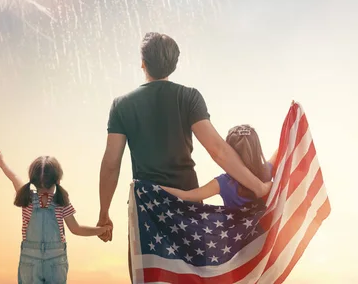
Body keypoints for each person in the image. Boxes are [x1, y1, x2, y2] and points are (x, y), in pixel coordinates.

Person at [95, 32, 273, 280]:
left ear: (142, 63)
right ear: (174, 64)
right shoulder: (189, 97)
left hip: (147, 209)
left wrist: (104, 214)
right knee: (192, 277)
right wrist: (258, 186)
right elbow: (218, 150)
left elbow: (111, 163)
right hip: (188, 208)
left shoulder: (121, 105)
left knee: (153, 276)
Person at [0, 150, 111, 284]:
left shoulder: (27, 199)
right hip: (56, 262)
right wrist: (101, 229)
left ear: (32, 179)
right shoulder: (61, 202)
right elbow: (76, 229)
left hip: (29, 261)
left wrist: (1, 162)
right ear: (58, 180)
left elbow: (14, 177)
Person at [162, 124, 278, 208]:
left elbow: (187, 196)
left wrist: (152, 187)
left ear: (229, 151)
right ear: (257, 148)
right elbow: (282, 149)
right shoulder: (266, 171)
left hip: (239, 241)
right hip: (265, 236)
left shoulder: (223, 183)